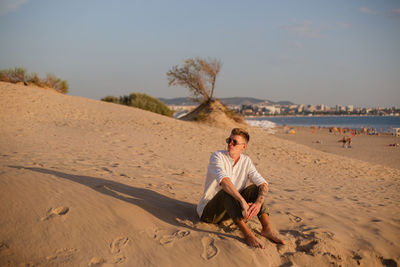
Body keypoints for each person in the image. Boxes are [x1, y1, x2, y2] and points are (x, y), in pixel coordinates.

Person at [197, 128, 284, 248]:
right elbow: (224, 182)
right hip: (209, 213)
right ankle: (247, 234)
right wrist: (242, 201)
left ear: (243, 147)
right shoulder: (217, 156)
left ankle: (266, 229)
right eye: (229, 140)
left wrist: (258, 204)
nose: (230, 144)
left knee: (255, 189)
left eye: (234, 142)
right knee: (226, 192)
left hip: (231, 210)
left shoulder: (246, 161)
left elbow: (263, 184)